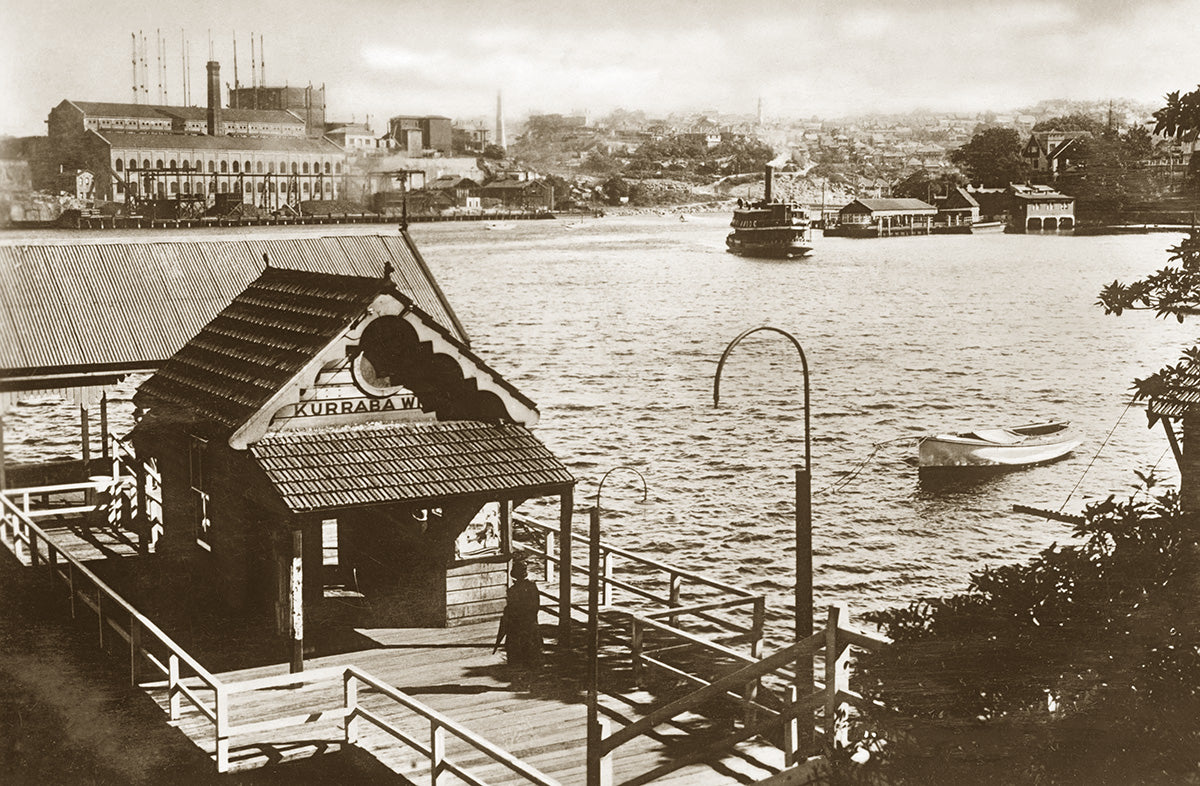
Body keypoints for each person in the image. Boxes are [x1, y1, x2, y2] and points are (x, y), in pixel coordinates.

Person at [494, 559, 543, 668]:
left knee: (516, 654)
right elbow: (536, 607)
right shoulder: (532, 587)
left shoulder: (513, 590)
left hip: (516, 627)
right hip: (530, 623)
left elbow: (511, 609)